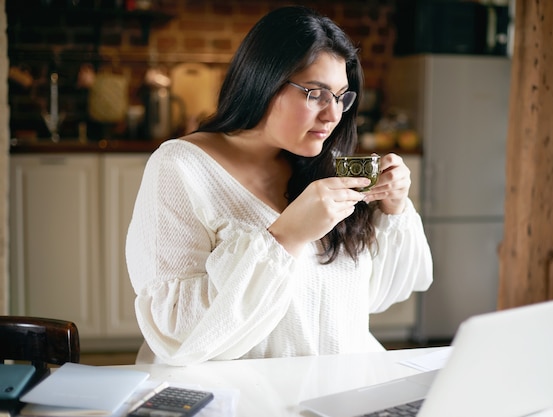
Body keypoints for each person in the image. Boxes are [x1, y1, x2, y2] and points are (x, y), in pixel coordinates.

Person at [126, 5, 433, 366]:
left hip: (340, 389)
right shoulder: (180, 167)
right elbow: (176, 333)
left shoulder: (323, 166)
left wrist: (392, 209)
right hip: (242, 397)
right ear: (264, 81)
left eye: (340, 97)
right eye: (316, 93)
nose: (334, 115)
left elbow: (371, 296)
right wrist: (285, 236)